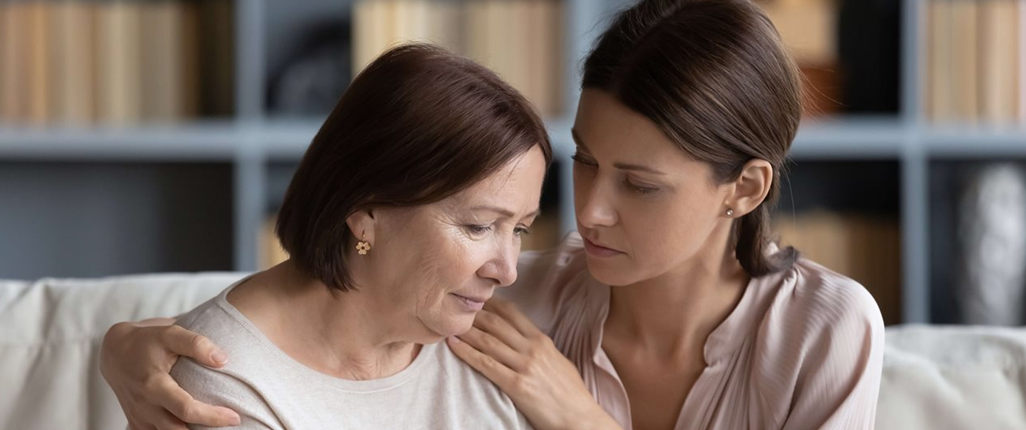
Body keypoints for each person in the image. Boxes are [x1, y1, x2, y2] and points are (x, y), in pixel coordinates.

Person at [101, 1, 885, 429]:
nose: (591, 212)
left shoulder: (825, 331)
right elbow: (327, 303)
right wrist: (123, 344)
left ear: (744, 190)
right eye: (585, 162)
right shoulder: (515, 303)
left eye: (640, 185)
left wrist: (581, 423)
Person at [102, 43, 553, 430]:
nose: (507, 270)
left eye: (519, 229)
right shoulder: (225, 388)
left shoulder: (503, 341)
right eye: (478, 226)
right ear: (365, 214)